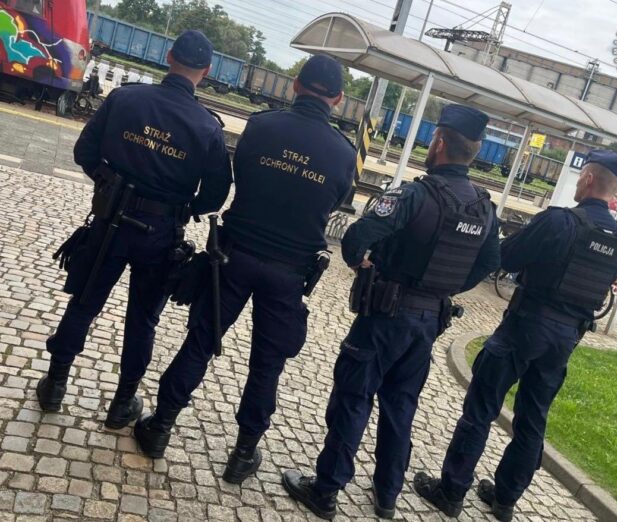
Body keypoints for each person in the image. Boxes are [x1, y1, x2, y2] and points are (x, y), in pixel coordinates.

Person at [133, 55, 356, 471]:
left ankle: (160, 426)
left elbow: (243, 174)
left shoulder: (261, 125)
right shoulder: (344, 153)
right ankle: (243, 453)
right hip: (290, 272)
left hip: (233, 258)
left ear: (296, 84)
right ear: (339, 99)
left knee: (200, 341)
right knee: (267, 365)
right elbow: (338, 200)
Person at [282, 104, 502, 520]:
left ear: (439, 143)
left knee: (354, 398)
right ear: (473, 152)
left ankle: (326, 491)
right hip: (429, 321)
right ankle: (387, 495)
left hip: (385, 316)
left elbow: (358, 236)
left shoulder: (415, 194)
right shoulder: (484, 208)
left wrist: (359, 262)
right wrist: (445, 288)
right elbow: (491, 261)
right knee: (401, 406)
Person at [412, 150, 617, 521]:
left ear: (589, 179)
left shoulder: (560, 221)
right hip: (566, 339)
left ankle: (451, 491)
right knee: (533, 421)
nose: (578, 182)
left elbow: (506, 257)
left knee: (481, 408)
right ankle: (505, 500)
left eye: (581, 176)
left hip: (525, 327)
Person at [36, 31, 232, 431]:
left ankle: (55, 385)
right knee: (143, 320)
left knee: (84, 303)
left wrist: (108, 184)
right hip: (161, 234)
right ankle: (122, 404)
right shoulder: (207, 127)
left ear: (169, 56)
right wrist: (183, 209)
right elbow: (216, 193)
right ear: (207, 71)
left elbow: (84, 152)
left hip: (111, 220)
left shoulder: (125, 99)